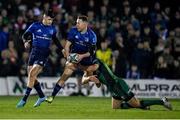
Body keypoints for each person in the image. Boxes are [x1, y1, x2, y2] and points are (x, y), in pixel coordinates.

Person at [81, 59, 172, 110]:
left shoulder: (96, 62)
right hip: (112, 88)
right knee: (116, 107)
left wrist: (90, 77)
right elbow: (84, 81)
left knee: (137, 104)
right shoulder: (88, 70)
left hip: (118, 85)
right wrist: (92, 80)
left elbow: (95, 68)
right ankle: (143, 106)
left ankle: (162, 101)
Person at [16, 9, 63, 108]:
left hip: (44, 54)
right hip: (33, 52)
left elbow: (55, 40)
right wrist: (25, 41)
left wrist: (62, 49)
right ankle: (41, 96)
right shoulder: (35, 26)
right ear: (44, 17)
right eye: (49, 19)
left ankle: (24, 99)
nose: (50, 22)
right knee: (31, 76)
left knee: (32, 74)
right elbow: (24, 35)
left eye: (52, 20)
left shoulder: (52, 29)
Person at [46, 15, 98, 103]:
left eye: (79, 23)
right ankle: (52, 96)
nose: (76, 24)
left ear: (85, 24)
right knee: (64, 76)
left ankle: (91, 80)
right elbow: (67, 46)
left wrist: (81, 56)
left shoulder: (92, 35)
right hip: (74, 60)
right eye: (76, 22)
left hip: (86, 61)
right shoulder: (73, 31)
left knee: (86, 79)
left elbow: (92, 52)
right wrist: (68, 57)